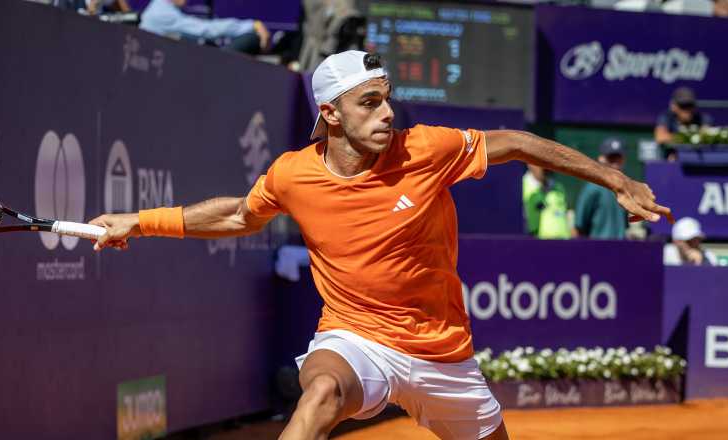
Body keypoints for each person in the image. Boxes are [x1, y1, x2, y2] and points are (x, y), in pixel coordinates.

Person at [88, 51, 671, 440]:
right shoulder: (293, 174)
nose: (387, 113)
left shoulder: (427, 149)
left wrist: (616, 179)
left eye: (387, 98)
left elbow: (516, 143)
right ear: (330, 114)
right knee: (320, 393)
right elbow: (241, 214)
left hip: (443, 352)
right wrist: (139, 221)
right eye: (369, 103)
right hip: (358, 337)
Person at [139, 0, 270, 55]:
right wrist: (253, 25)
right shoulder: (162, 13)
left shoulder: (159, 9)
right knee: (252, 38)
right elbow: (207, 30)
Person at [574, 138, 629, 240]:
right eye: (611, 158)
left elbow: (625, 225)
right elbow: (579, 227)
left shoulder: (626, 189)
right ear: (601, 159)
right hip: (597, 246)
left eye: (618, 158)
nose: (615, 163)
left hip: (621, 246)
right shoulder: (592, 188)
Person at [654, 87, 713, 160]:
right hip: (673, 159)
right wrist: (691, 138)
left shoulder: (703, 118)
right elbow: (660, 137)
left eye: (689, 105)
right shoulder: (666, 117)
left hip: (698, 160)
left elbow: (705, 136)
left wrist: (681, 138)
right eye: (682, 106)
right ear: (673, 106)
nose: (687, 110)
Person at [522, 164, 571, 239]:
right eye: (540, 161)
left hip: (564, 242)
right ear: (529, 163)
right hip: (535, 243)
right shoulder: (521, 186)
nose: (545, 166)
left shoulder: (559, 187)